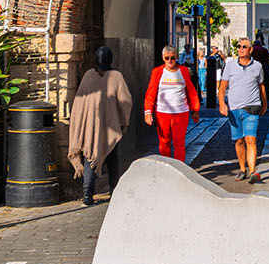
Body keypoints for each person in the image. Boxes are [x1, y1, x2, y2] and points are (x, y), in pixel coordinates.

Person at [68, 45, 133, 206]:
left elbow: (79, 102)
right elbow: (126, 101)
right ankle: (114, 190)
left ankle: (87, 194)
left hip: (90, 127)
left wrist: (81, 122)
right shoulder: (116, 76)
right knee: (112, 159)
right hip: (110, 126)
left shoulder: (88, 76)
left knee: (90, 155)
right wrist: (122, 121)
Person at [219, 39, 268, 184]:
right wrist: (222, 103)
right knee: (239, 141)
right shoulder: (230, 66)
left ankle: (252, 172)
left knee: (251, 139)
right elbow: (222, 87)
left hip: (252, 107)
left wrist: (264, 104)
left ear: (250, 50)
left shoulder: (257, 66)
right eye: (239, 46)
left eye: (244, 47)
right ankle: (242, 169)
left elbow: (261, 86)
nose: (240, 49)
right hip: (234, 109)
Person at [144, 44, 201, 161]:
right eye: (167, 58)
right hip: (162, 112)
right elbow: (151, 92)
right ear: (163, 58)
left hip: (181, 112)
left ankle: (179, 168)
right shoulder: (157, 72)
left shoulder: (184, 71)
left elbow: (191, 91)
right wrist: (148, 112)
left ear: (177, 57)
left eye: (172, 58)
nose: (170, 60)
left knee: (179, 142)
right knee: (164, 141)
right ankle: (167, 166)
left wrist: (195, 109)